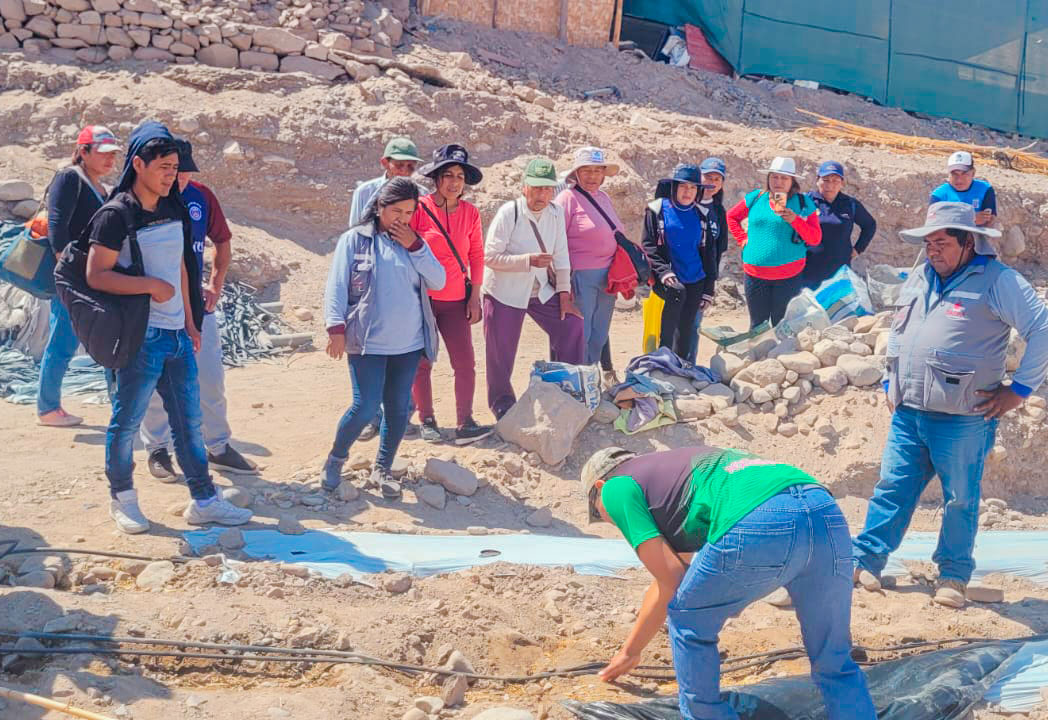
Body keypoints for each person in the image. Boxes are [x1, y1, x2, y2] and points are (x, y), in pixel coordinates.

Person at [583, 445, 876, 720]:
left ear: (598, 487)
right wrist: (631, 651)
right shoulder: (672, 481)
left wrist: (717, 601)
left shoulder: (615, 487)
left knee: (690, 620)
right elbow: (668, 584)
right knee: (833, 656)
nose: (610, 521)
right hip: (824, 511)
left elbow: (675, 584)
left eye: (600, 514)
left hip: (760, 517)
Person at [853, 202, 1048, 609]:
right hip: (909, 414)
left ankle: (954, 577)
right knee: (892, 488)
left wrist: (1020, 390)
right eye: (928, 242)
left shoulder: (998, 280)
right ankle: (865, 561)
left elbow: (1042, 328)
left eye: (941, 242)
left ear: (968, 242)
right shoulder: (922, 275)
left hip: (964, 419)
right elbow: (900, 328)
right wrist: (891, 377)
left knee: (959, 498)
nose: (932, 250)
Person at [85, 121, 252, 534]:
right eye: (163, 166)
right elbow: (96, 275)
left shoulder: (174, 206)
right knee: (126, 423)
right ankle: (122, 499)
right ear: (138, 164)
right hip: (139, 337)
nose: (171, 174)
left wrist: (192, 321)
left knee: (188, 422)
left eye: (175, 166)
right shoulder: (115, 214)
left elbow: (181, 265)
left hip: (177, 333)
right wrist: (148, 286)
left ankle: (204, 500)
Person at [140, 139, 258, 480]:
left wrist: (215, 284)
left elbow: (222, 240)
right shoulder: (144, 201)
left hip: (197, 303)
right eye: (174, 171)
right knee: (155, 381)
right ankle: (158, 450)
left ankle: (218, 446)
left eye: (184, 172)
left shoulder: (201, 196)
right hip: (155, 306)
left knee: (210, 378)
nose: (179, 179)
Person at [323, 178, 445, 500]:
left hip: (408, 344)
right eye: (396, 211)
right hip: (368, 342)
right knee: (364, 407)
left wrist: (416, 247)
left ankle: (382, 468)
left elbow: (440, 279)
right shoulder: (354, 240)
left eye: (409, 212)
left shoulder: (416, 244)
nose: (402, 219)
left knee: (399, 410)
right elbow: (336, 285)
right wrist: (335, 329)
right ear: (379, 208)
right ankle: (336, 459)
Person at [482, 157, 584, 419]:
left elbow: (561, 254)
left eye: (547, 188)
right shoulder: (510, 212)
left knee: (571, 324)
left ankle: (563, 389)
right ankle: (502, 404)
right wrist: (527, 261)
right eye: (536, 188)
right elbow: (490, 256)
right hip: (505, 291)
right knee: (500, 351)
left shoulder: (555, 212)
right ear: (524, 187)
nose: (542, 194)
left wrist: (564, 293)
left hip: (542, 290)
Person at [37, 125, 121, 428]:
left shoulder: (101, 188)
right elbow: (58, 229)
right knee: (63, 340)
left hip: (93, 277)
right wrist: (69, 276)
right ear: (83, 152)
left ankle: (120, 406)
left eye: (113, 154)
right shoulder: (69, 178)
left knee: (105, 339)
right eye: (103, 153)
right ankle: (47, 409)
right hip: (73, 279)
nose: (110, 159)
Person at [409, 144, 491, 445]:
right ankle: (427, 419)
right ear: (436, 178)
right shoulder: (419, 208)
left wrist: (475, 295)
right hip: (424, 301)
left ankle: (464, 422)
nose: (454, 182)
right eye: (447, 175)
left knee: (465, 362)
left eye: (459, 175)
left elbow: (477, 254)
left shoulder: (470, 213)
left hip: (457, 300)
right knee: (423, 362)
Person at [347, 136, 425, 441]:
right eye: (400, 165)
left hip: (406, 280)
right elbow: (355, 233)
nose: (405, 171)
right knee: (372, 351)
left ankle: (402, 416)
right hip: (371, 282)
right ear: (385, 163)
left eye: (410, 166)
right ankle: (372, 417)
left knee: (404, 350)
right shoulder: (366, 191)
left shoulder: (420, 196)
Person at [726, 156, 821, 328]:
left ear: (792, 181)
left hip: (788, 276)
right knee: (757, 325)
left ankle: (779, 355)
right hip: (755, 274)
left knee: (782, 324)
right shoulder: (756, 197)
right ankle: (757, 354)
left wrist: (795, 220)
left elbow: (815, 238)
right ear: (768, 178)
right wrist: (741, 238)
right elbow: (731, 216)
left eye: (784, 178)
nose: (778, 181)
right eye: (774, 176)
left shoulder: (803, 202)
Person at [554, 147, 624, 378]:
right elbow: (556, 240)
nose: (593, 176)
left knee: (599, 334)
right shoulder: (566, 198)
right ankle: (576, 384)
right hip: (581, 276)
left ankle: (590, 379)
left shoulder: (603, 197)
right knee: (580, 334)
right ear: (576, 173)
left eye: (597, 170)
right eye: (587, 170)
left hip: (609, 276)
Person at [641, 164, 720, 359]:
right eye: (683, 186)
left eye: (693, 187)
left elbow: (709, 253)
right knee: (670, 321)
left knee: (685, 329)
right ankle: (664, 360)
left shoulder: (702, 215)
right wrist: (663, 272)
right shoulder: (657, 210)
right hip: (667, 279)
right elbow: (648, 245)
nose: (688, 191)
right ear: (674, 187)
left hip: (695, 278)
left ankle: (681, 369)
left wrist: (709, 289)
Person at [682, 156, 730, 363]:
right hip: (678, 274)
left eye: (717, 179)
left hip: (701, 278)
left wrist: (710, 285)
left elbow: (719, 250)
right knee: (672, 323)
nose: (711, 182)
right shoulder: (685, 204)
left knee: (693, 324)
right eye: (707, 176)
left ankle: (688, 365)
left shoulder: (719, 212)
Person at [803, 161, 877, 289]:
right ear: (817, 181)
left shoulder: (850, 204)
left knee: (836, 308)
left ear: (842, 183)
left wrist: (858, 249)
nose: (830, 185)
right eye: (825, 180)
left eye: (835, 180)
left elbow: (870, 225)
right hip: (808, 274)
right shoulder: (806, 201)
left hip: (839, 274)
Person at [930, 151, 996, 227]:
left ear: (973, 173)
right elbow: (933, 223)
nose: (959, 180)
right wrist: (970, 219)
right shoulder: (938, 195)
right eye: (954, 174)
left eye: (965, 174)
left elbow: (990, 220)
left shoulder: (985, 189)